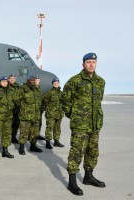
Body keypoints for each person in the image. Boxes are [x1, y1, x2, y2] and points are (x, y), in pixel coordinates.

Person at [62, 53, 106, 196]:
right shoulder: (74, 81)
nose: (91, 64)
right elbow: (65, 101)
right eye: (88, 62)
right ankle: (72, 181)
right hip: (80, 124)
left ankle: (88, 176)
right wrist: (74, 115)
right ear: (83, 64)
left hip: (95, 124)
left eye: (93, 62)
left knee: (93, 151)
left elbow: (98, 101)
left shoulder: (100, 82)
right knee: (76, 152)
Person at [17, 75, 43, 155]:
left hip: (36, 116)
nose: (32, 81)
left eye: (33, 80)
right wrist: (23, 107)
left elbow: (39, 101)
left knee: (34, 133)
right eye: (31, 80)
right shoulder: (23, 89)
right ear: (28, 80)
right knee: (24, 132)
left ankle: (33, 146)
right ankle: (21, 147)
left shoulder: (37, 89)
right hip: (26, 116)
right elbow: (15, 99)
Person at [0, 76, 14, 161]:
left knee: (7, 135)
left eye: (6, 81)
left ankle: (5, 151)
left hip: (8, 117)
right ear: (0, 82)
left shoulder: (9, 92)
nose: (4, 83)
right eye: (3, 81)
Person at [42, 77, 65, 149]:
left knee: (57, 128)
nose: (56, 84)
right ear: (52, 84)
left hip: (59, 114)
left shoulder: (61, 93)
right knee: (49, 128)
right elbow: (44, 101)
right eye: (54, 83)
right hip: (51, 114)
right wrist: (46, 109)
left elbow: (64, 102)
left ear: (59, 83)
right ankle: (48, 142)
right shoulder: (49, 92)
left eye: (57, 83)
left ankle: (56, 141)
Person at [7, 74, 21, 144]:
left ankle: (13, 137)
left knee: (16, 124)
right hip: (10, 109)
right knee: (8, 125)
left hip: (17, 109)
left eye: (13, 78)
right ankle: (6, 139)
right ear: (9, 79)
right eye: (11, 78)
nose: (12, 79)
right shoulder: (6, 86)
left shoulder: (18, 87)